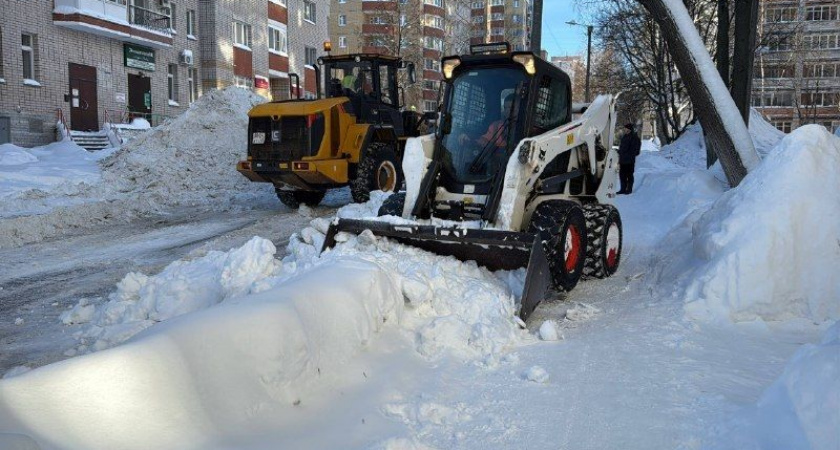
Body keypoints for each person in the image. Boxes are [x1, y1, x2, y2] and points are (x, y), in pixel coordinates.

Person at [617, 122, 641, 194]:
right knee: (622, 175)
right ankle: (623, 189)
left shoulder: (634, 137)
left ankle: (629, 189)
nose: (625, 130)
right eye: (625, 129)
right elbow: (623, 148)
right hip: (623, 160)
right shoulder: (624, 137)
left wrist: (627, 154)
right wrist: (619, 151)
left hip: (629, 161)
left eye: (626, 129)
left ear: (630, 129)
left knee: (629, 175)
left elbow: (635, 151)